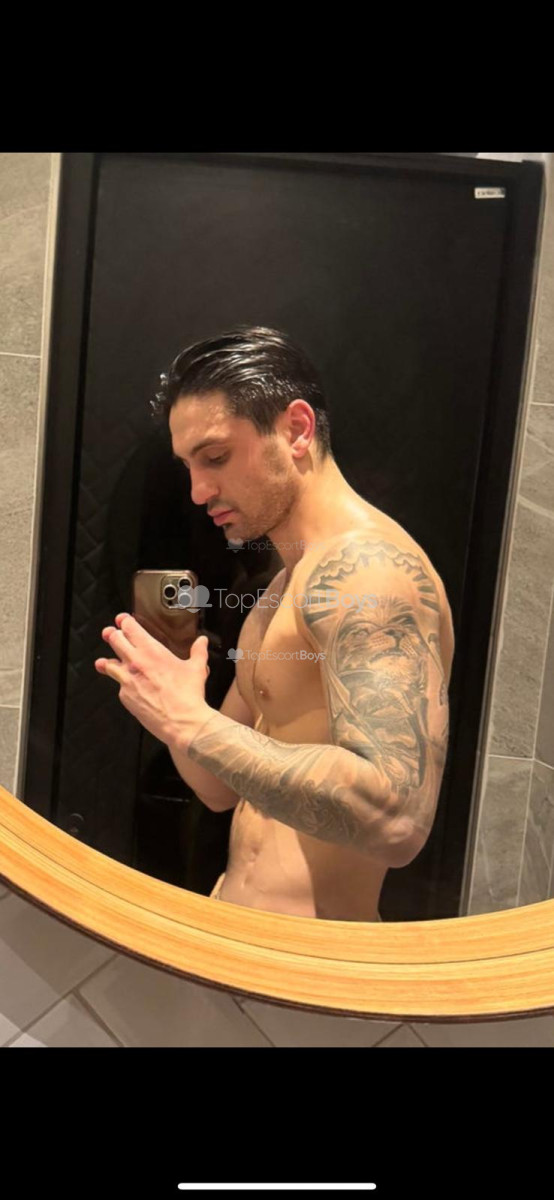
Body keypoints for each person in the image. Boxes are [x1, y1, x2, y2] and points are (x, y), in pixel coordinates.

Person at [103, 325, 455, 921]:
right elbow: (218, 789)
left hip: (313, 959)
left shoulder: (369, 572)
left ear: (295, 430)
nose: (198, 491)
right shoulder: (281, 590)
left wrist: (193, 723)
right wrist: (172, 708)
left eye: (215, 457)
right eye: (189, 466)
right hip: (237, 928)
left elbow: (397, 818)